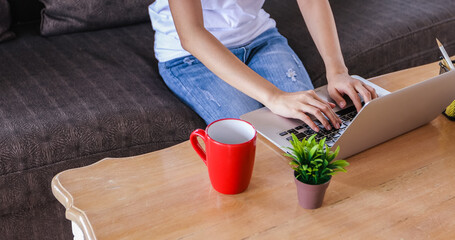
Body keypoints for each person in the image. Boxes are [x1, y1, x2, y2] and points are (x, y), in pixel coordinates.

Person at [149, 0, 378, 132]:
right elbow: (191, 35)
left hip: (260, 39)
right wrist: (274, 97)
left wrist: (337, 71)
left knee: (314, 126)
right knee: (254, 136)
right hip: (191, 57)